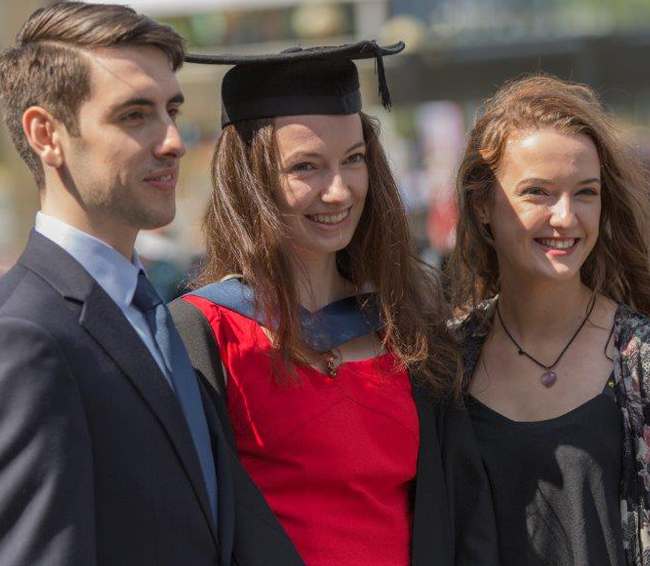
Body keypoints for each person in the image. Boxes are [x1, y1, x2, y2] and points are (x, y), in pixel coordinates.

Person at [169, 41, 499, 566]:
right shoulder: (203, 335)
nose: (340, 190)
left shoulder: (408, 323)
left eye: (353, 160)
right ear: (251, 179)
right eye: (307, 167)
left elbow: (461, 512)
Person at [0, 1, 241, 566]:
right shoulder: (26, 337)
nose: (173, 141)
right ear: (46, 134)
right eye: (135, 115)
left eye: (171, 110)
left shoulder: (154, 309)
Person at [447, 74, 650, 566]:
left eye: (585, 193)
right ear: (483, 206)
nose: (565, 217)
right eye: (538, 192)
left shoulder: (639, 361)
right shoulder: (444, 367)